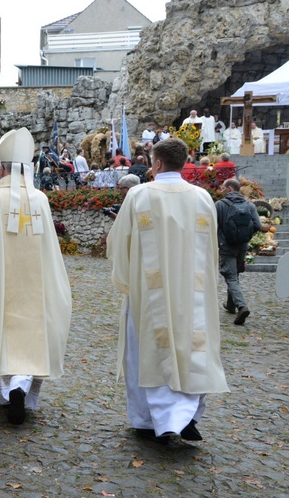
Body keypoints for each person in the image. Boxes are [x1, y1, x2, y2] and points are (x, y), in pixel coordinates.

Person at [107, 138, 229, 444]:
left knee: (146, 351)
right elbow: (213, 248)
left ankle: (149, 421)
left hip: (149, 291)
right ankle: (185, 414)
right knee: (192, 347)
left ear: (157, 163)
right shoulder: (202, 198)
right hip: (193, 292)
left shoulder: (139, 195)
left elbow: (118, 242)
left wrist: (125, 281)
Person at [0, 128, 71, 426]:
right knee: (30, 337)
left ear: (2, 167)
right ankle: (21, 386)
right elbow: (49, 249)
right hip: (34, 286)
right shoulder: (41, 200)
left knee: (4, 335)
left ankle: (11, 389)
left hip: (1, 282)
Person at [215, 179, 268, 325]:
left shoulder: (220, 205)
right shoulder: (249, 205)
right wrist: (246, 237)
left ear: (230, 188)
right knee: (234, 274)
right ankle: (230, 305)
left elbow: (213, 225)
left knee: (230, 276)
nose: (222, 190)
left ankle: (241, 306)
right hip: (242, 246)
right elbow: (258, 225)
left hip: (226, 246)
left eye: (223, 187)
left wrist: (219, 240)